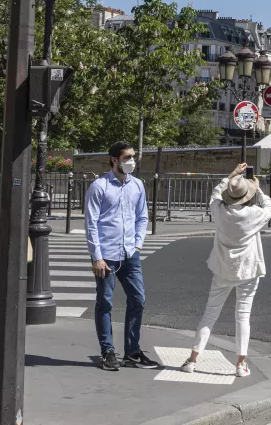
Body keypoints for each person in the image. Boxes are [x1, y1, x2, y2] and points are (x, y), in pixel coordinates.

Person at [181, 162, 271, 377]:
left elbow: (215, 194)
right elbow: (270, 208)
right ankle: (240, 365)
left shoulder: (219, 211)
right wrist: (257, 188)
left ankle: (192, 359)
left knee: (210, 314)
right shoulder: (252, 214)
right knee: (243, 316)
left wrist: (231, 176)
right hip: (248, 269)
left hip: (222, 269)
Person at [85, 141, 158, 371]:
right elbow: (91, 224)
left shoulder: (137, 185)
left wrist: (137, 245)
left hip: (129, 254)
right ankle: (108, 351)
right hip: (106, 255)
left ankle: (132, 351)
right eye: (127, 157)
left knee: (138, 299)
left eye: (133, 157)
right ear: (114, 160)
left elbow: (142, 217)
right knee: (105, 303)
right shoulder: (99, 186)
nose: (131, 161)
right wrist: (96, 256)